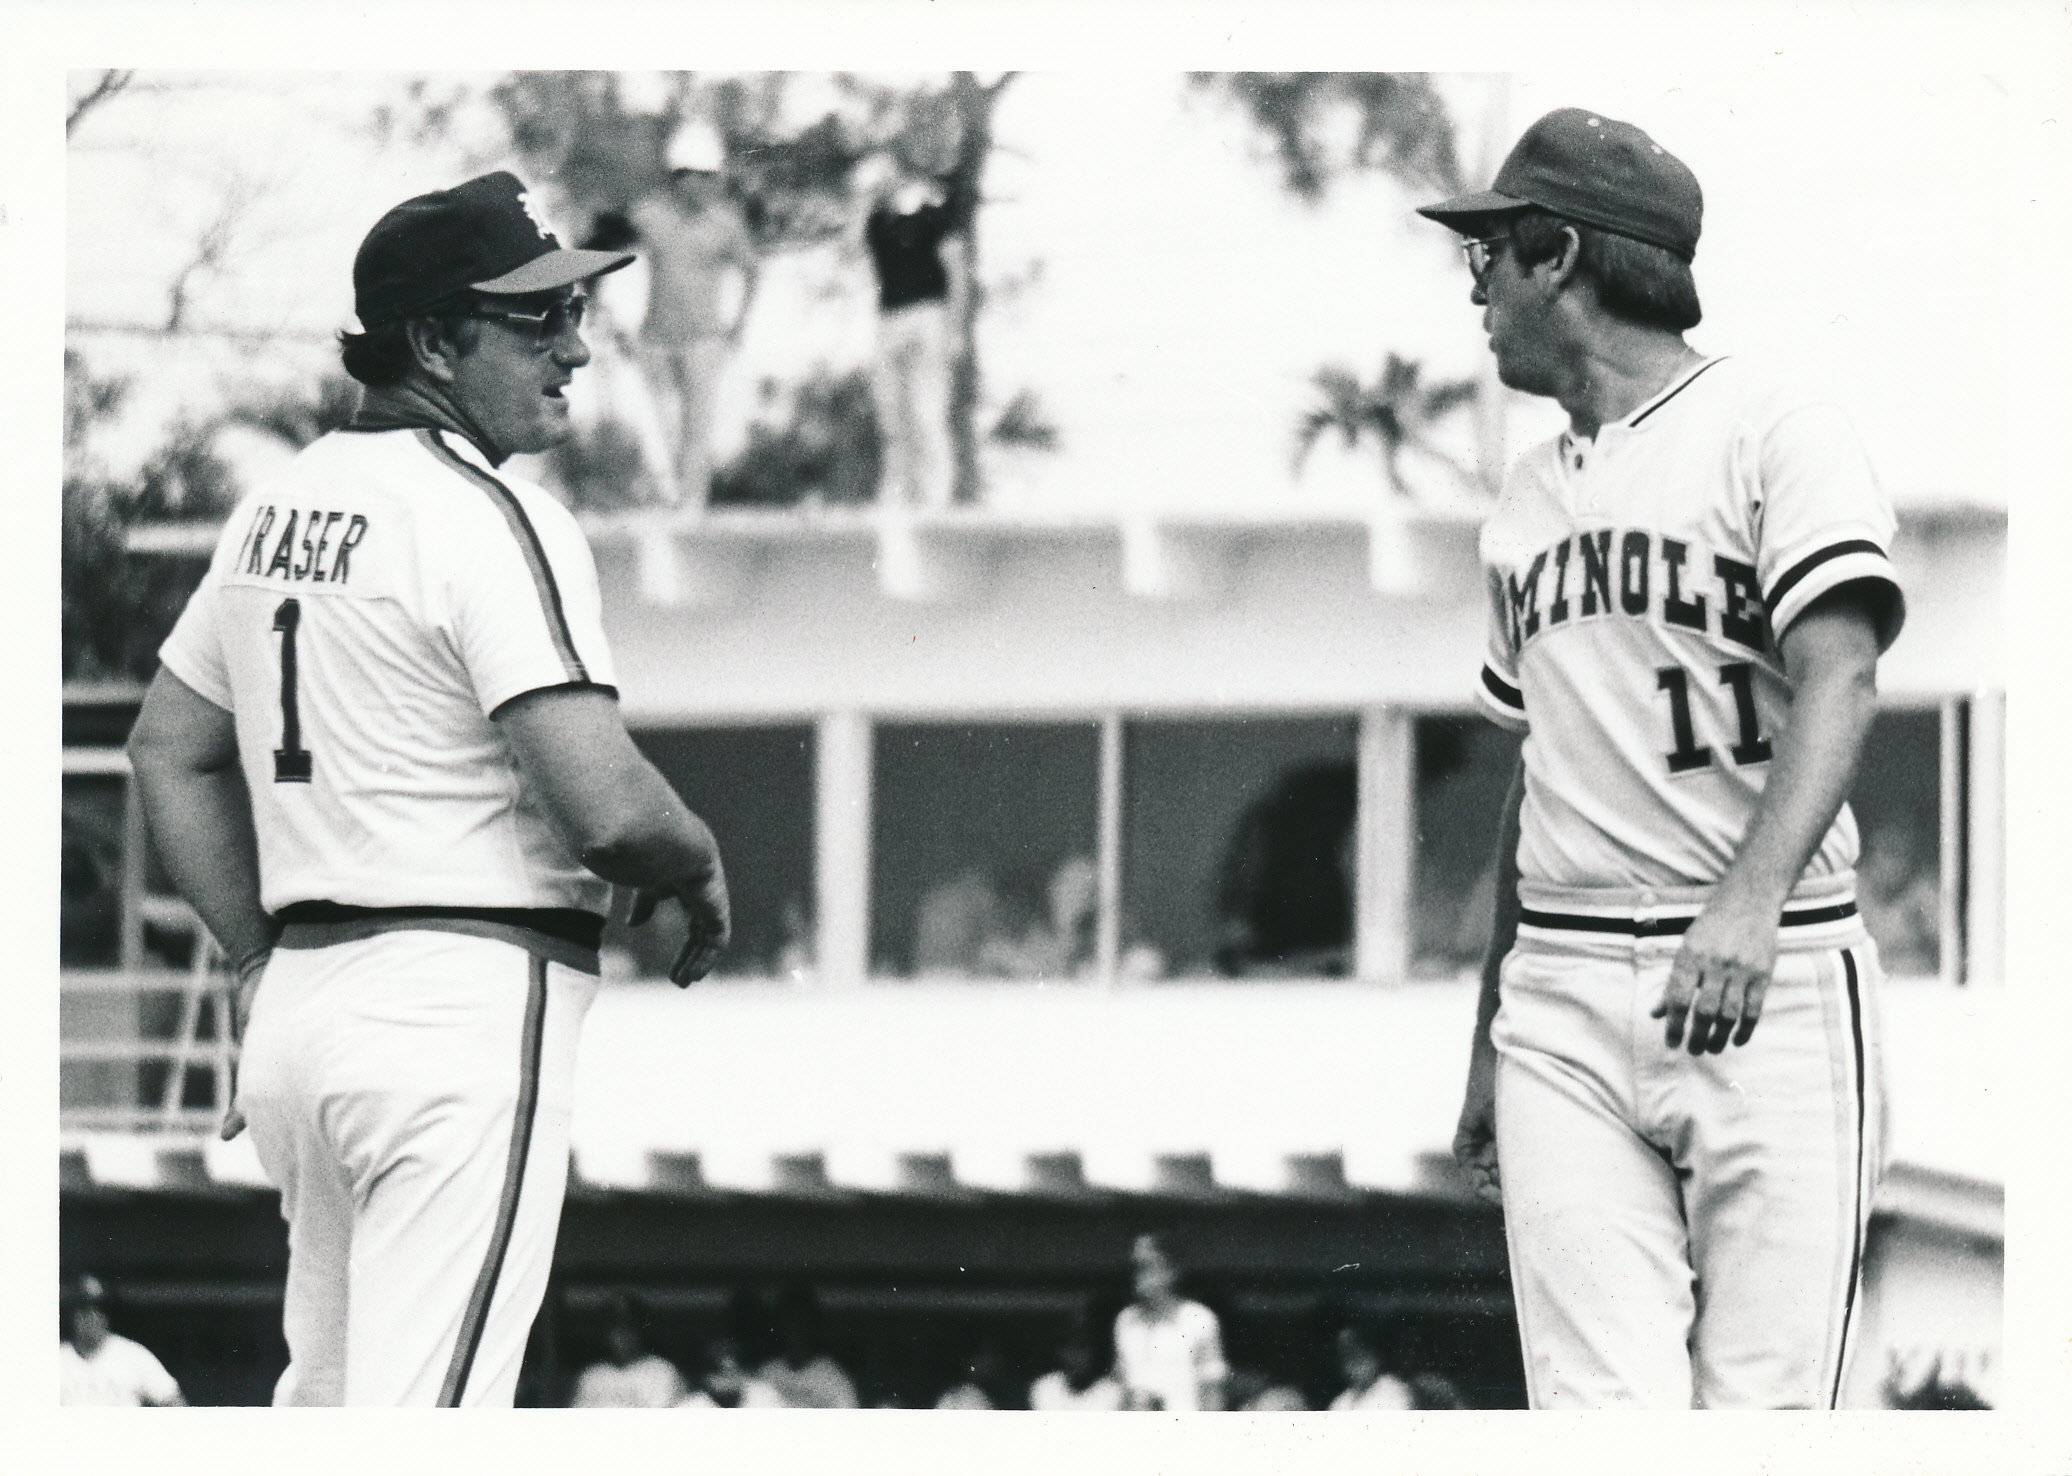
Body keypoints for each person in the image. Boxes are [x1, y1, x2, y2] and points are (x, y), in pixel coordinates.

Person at [126, 171, 733, 1407]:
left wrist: (252, 959)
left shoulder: (271, 510)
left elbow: (166, 749)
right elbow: (608, 812)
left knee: (333, 1406)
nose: (573, 347)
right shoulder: (489, 515)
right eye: (533, 318)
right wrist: (695, 854)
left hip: (305, 1008)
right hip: (450, 1010)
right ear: (431, 343)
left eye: (571, 312)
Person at [1421, 109, 1905, 1408]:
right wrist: (1488, 1038)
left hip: (1772, 968)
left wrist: (1745, 905)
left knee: (1764, 1417)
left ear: (1561, 254)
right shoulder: (1526, 495)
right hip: (1565, 986)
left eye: (1490, 256)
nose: (1474, 289)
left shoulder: (1771, 425)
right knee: (1597, 1421)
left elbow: (1842, 675)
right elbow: (1540, 772)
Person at [627, 122, 759, 507]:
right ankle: (670, 501)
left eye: (709, 177)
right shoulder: (648, 215)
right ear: (677, 177)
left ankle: (692, 510)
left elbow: (752, 270)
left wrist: (739, 324)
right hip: (655, 338)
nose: (703, 185)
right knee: (662, 429)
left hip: (704, 340)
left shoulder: (726, 222)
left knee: (698, 429)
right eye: (694, 176)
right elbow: (606, 254)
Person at [862, 118, 977, 508]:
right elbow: (851, 252)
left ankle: (935, 502)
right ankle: (896, 500)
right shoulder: (878, 222)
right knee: (892, 418)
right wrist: (861, 203)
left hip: (929, 316)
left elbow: (957, 273)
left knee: (927, 414)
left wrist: (956, 331)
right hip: (890, 319)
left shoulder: (933, 213)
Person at [1113, 1233, 1227, 1411]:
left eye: (1146, 1266)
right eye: (1134, 1267)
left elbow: (1212, 1389)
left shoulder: (1199, 1320)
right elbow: (1121, 1384)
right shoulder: (1126, 1320)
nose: (1138, 1275)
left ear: (1171, 1270)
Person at [60, 1275, 185, 1407]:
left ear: (108, 1316)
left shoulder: (134, 1355)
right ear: (71, 1315)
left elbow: (175, 1402)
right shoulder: (56, 1359)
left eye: (99, 1310)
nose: (91, 1318)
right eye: (83, 1310)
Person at [569, 1293, 690, 1408]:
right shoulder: (592, 1377)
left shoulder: (663, 1372)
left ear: (640, 1330)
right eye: (615, 1328)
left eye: (628, 1327)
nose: (622, 1336)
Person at [752, 1284, 858, 1408]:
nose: (795, 1329)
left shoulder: (833, 1377)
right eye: (790, 1321)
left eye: (801, 1321)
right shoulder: (767, 1373)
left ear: (812, 1325)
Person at [1027, 1315, 1125, 1411]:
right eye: (1072, 1348)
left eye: (1084, 1348)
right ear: (1060, 1352)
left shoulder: (1111, 1392)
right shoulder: (1044, 1388)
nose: (1078, 1356)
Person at [1326, 1322, 1412, 1412]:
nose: (1352, 1364)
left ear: (1374, 1354)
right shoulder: (1340, 1402)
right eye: (1346, 1356)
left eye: (1358, 1355)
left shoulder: (1395, 1391)